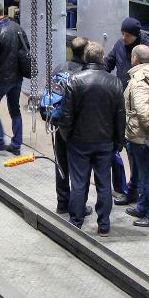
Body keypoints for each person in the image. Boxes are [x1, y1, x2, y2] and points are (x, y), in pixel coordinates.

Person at [58, 42, 125, 236]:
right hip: (105, 142)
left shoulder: (74, 80)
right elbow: (120, 115)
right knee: (104, 183)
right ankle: (104, 226)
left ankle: (76, 222)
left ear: (85, 58)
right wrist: (118, 142)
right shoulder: (114, 82)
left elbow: (66, 114)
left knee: (79, 182)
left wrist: (66, 136)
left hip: (79, 141)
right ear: (102, 58)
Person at [106, 17, 149, 206]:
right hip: (123, 103)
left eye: (128, 35)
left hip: (138, 108)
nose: (124, 37)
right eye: (123, 33)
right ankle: (134, 192)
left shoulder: (145, 52)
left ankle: (141, 197)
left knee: (137, 153)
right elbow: (107, 63)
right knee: (129, 149)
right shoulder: (119, 45)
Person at [123, 45, 149, 227]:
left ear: (135, 59)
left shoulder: (138, 81)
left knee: (148, 176)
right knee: (141, 173)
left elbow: (142, 110)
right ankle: (142, 207)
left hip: (141, 136)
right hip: (146, 134)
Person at [0, 0, 26, 156]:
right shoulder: (17, 28)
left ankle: (0, 140)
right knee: (15, 109)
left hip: (2, 79)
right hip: (17, 78)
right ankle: (16, 145)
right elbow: (25, 50)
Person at [51, 36, 89, 214]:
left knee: (62, 165)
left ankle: (62, 203)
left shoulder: (60, 68)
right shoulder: (86, 73)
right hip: (80, 129)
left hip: (60, 127)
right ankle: (78, 206)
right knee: (80, 170)